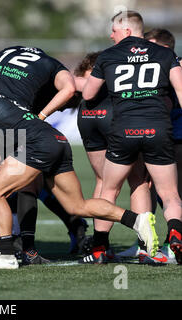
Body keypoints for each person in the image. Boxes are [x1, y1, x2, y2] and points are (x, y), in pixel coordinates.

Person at [0, 66, 158, 269]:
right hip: (57, 141)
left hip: (38, 145)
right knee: (76, 206)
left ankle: (5, 255)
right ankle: (138, 220)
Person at [82, 11, 182, 265]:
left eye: (113, 31)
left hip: (124, 130)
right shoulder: (165, 53)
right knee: (169, 193)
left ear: (126, 31)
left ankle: (99, 248)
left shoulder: (108, 55)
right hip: (157, 129)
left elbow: (89, 93)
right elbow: (180, 90)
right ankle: (174, 237)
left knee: (109, 190)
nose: (110, 35)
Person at [74, 52, 155, 264]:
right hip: (115, 114)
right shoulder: (117, 64)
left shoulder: (85, 74)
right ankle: (146, 248)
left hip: (88, 115)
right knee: (138, 181)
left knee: (103, 181)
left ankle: (100, 247)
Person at [117, 28, 182, 263]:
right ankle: (146, 242)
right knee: (146, 188)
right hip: (154, 135)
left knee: (173, 193)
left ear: (165, 49)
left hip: (175, 135)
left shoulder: (174, 66)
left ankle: (172, 244)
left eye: (152, 47)